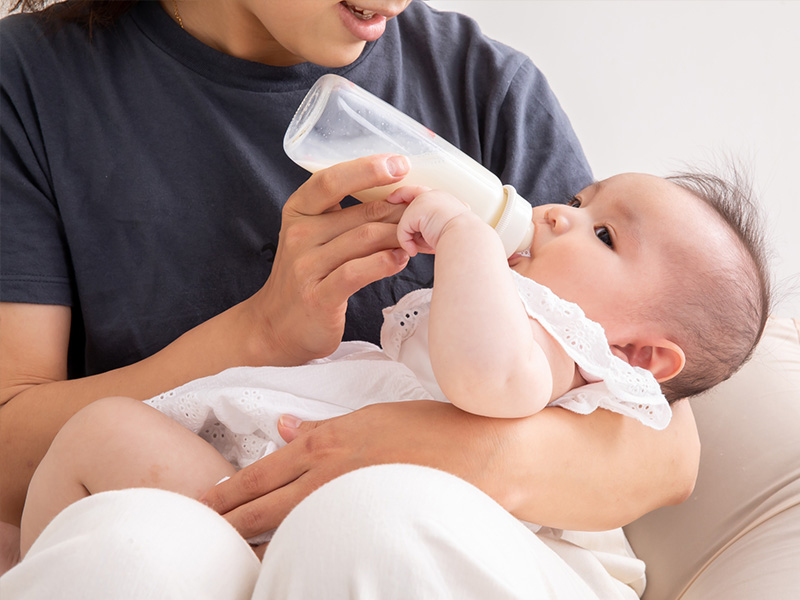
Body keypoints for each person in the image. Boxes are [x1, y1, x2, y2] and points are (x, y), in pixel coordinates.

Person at [0, 0, 744, 596]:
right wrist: (259, 334)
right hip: (227, 500)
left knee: (369, 521)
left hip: (433, 536)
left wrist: (426, 448)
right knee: (139, 548)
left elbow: (662, 445)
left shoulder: (478, 83)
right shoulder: (34, 83)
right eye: (580, 205)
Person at [18, 169, 771, 574]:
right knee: (102, 431)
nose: (553, 212)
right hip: (275, 486)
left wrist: (465, 237)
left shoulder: (569, 352)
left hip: (367, 532)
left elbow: (492, 383)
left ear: (641, 357)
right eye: (578, 199)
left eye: (602, 233)